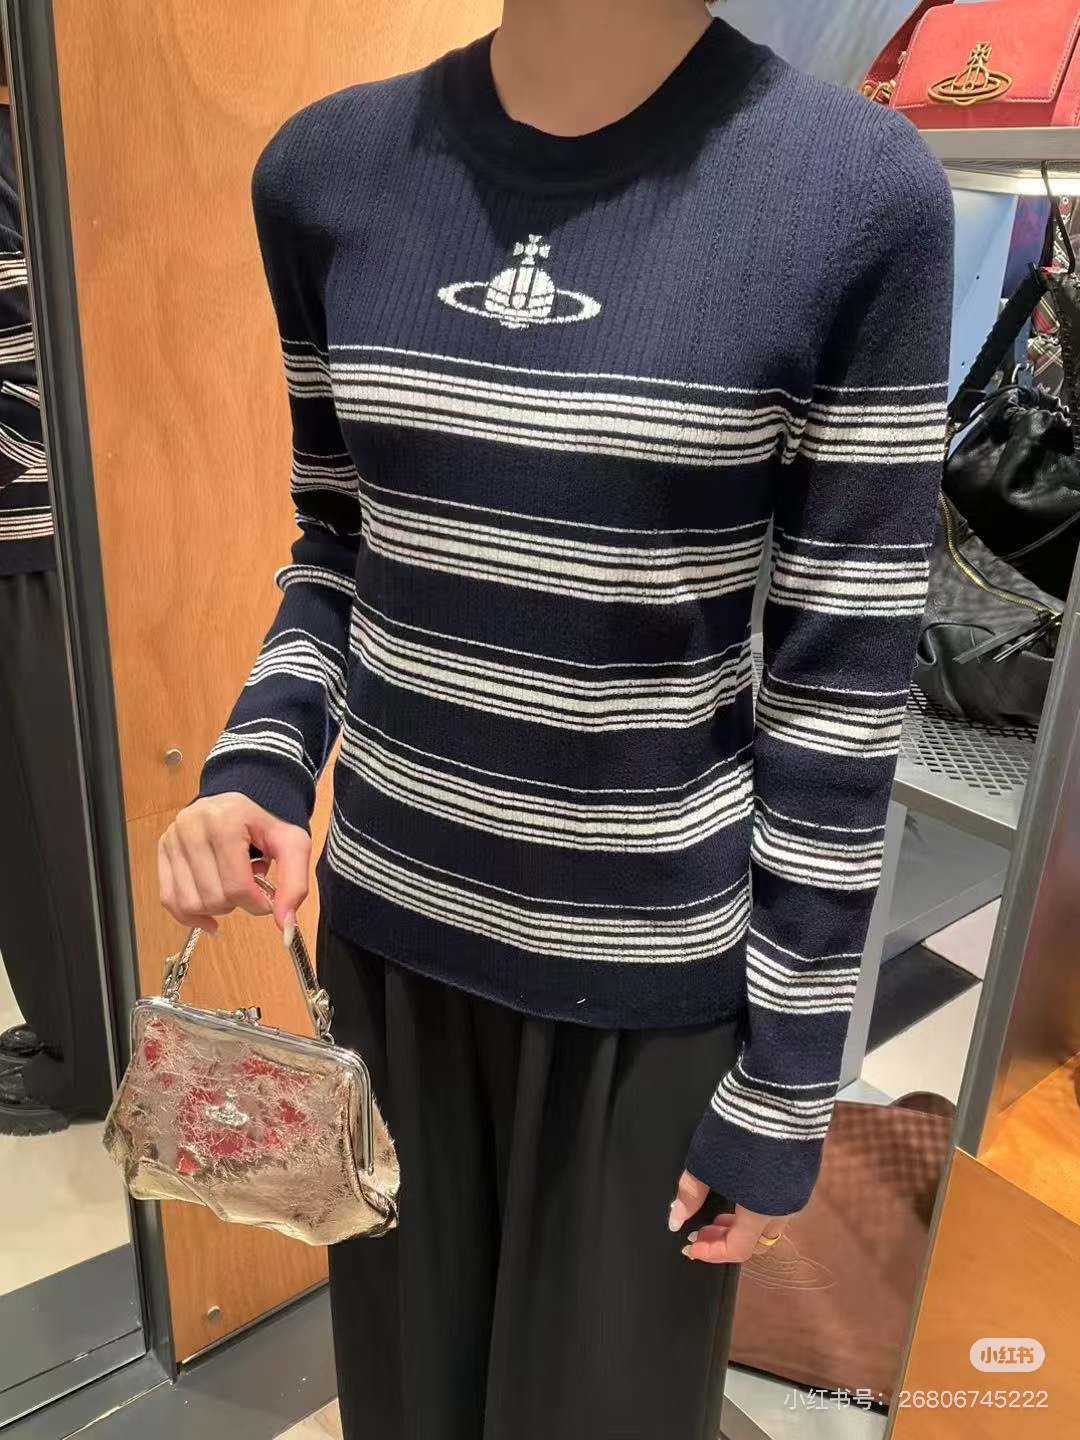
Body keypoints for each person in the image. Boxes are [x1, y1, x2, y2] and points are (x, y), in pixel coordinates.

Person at [158, 2, 954, 1435]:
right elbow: (341, 540)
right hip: (388, 965)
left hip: (645, 1012)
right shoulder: (324, 174)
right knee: (402, 1405)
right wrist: (262, 759)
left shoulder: (853, 195)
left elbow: (840, 687)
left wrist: (787, 1085)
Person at [0, 71, 112, 1134]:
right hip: (40, 523)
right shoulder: (32, 140)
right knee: (34, 813)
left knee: (38, 814)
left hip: (22, 529)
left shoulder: (18, 147)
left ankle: (87, 1058)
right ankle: (70, 1029)